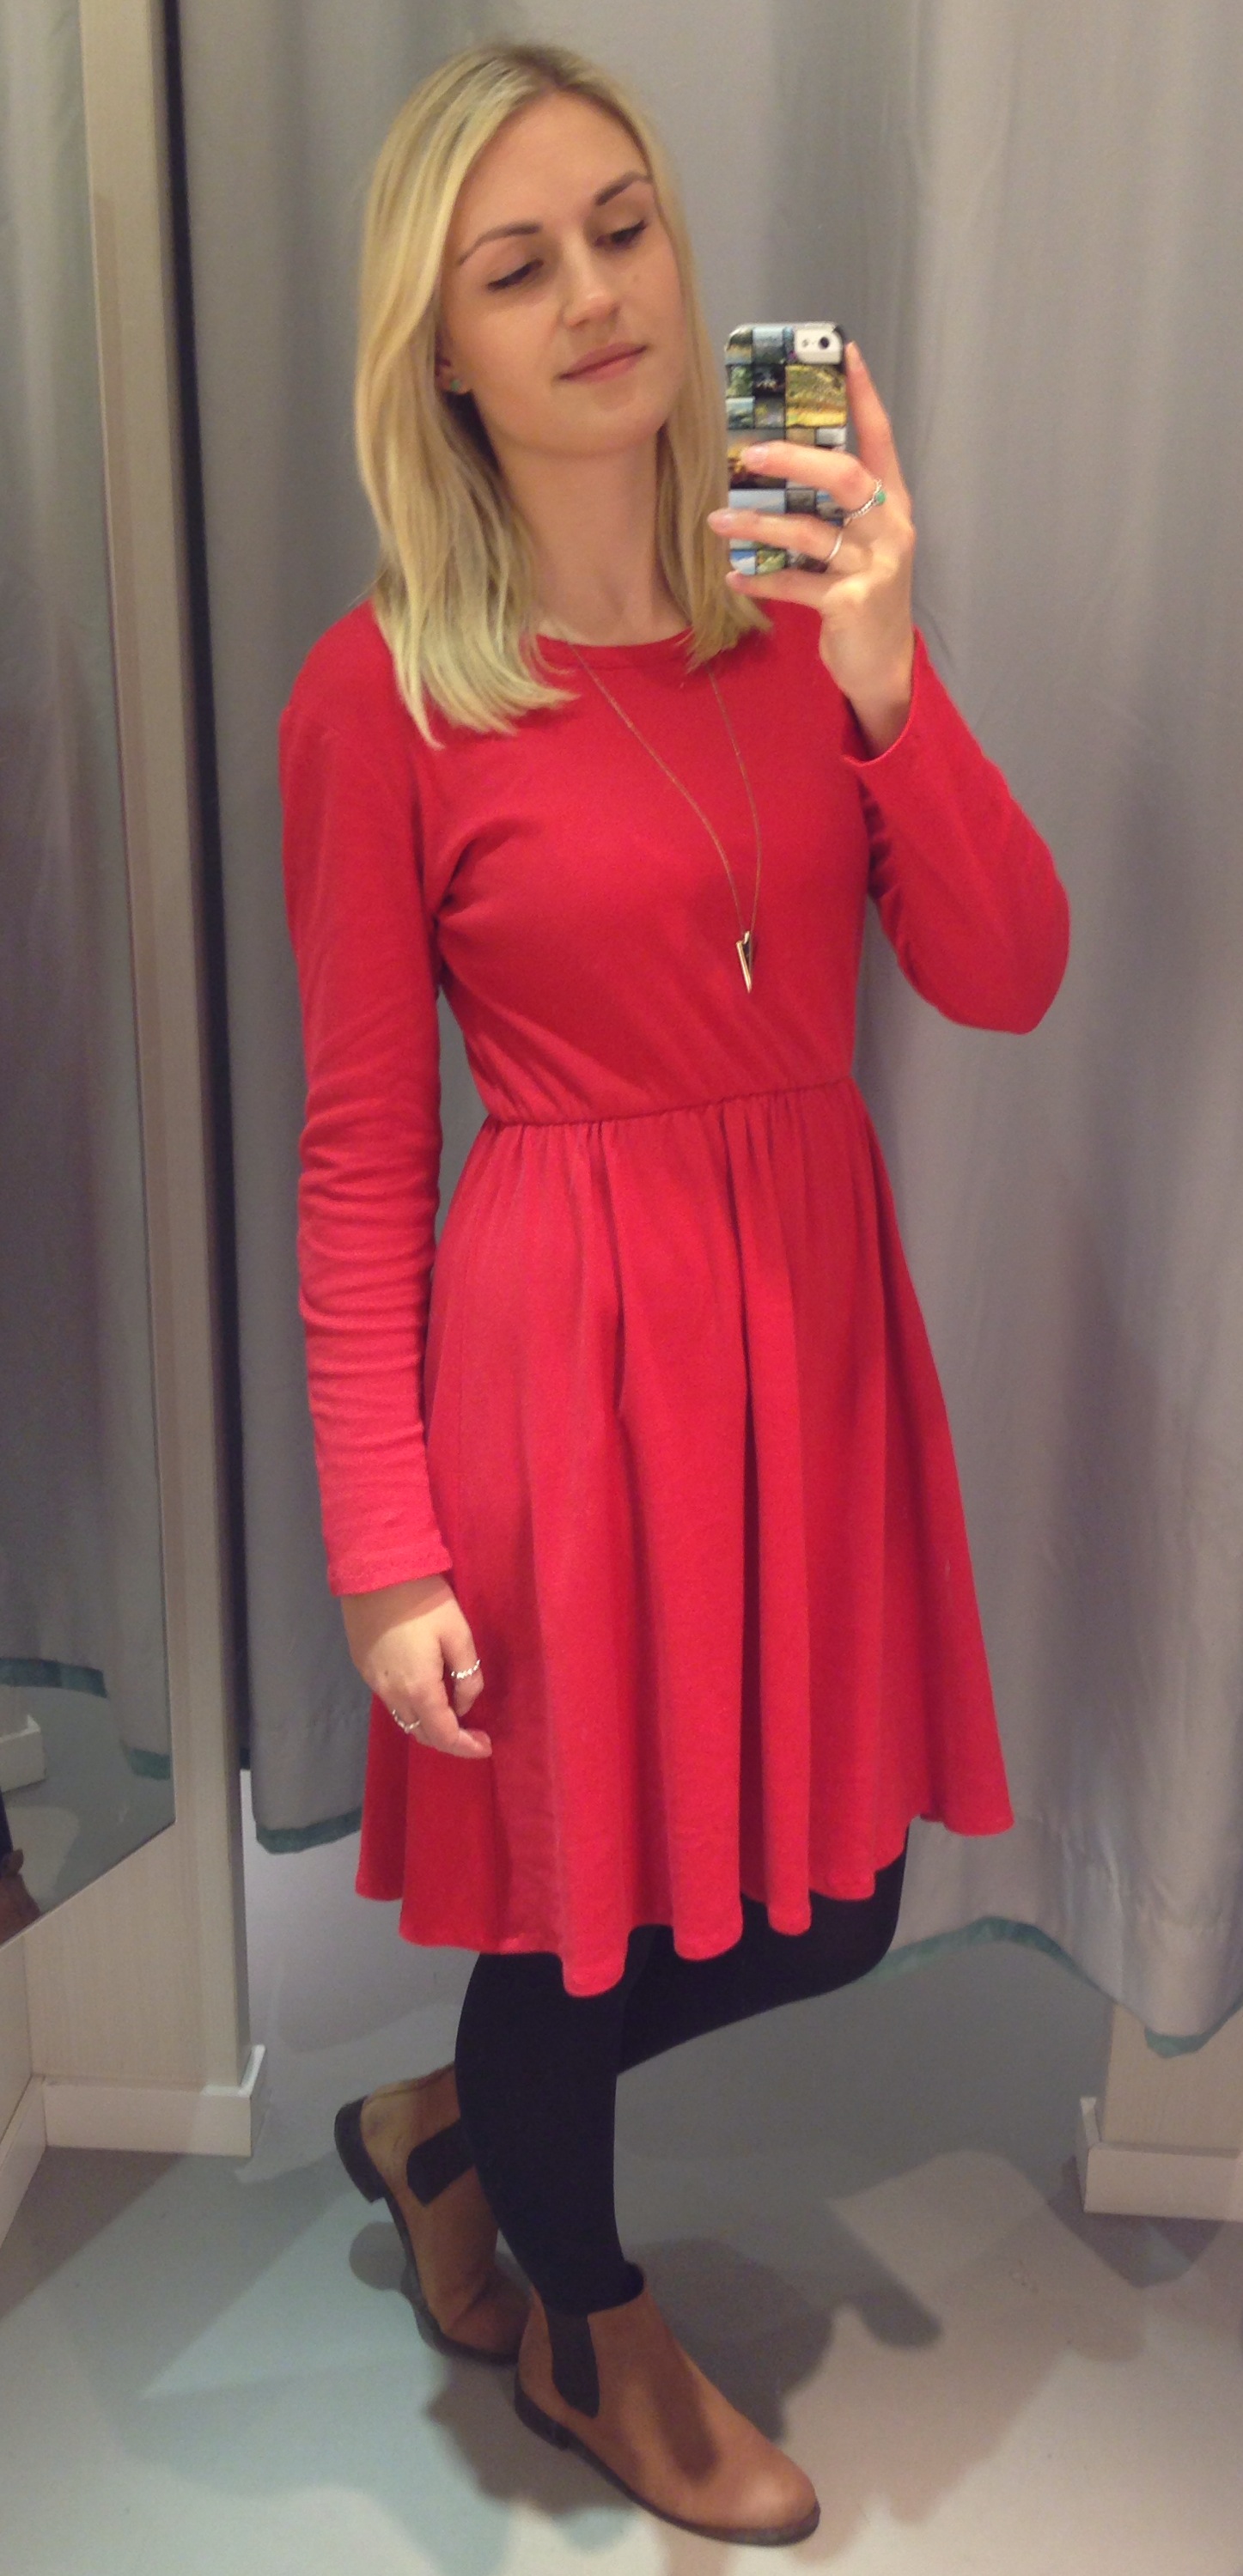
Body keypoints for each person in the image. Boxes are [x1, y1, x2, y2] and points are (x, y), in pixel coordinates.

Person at [278, 37, 1069, 2549]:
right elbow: (357, 1150)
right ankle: (587, 2332)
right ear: (442, 353)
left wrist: (888, 663)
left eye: (622, 226)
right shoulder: (385, 692)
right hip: (564, 1367)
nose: (598, 295)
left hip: (803, 1342)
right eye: (519, 268)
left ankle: (442, 2127)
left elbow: (1009, 969)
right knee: (580, 1900)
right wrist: (386, 1544)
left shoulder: (804, 619)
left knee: (828, 1902)